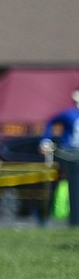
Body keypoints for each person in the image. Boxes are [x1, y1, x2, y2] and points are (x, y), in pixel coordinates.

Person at [40, 90, 79, 226]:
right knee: (74, 186)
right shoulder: (69, 114)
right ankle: (74, 221)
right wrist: (45, 140)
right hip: (71, 153)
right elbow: (50, 121)